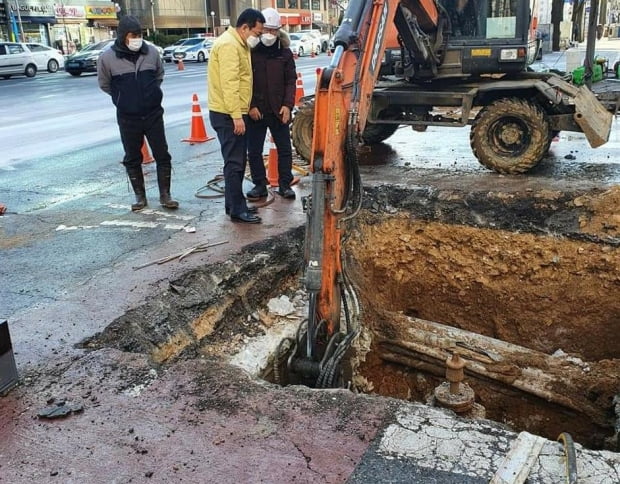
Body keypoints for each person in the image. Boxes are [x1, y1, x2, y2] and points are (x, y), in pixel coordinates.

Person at [97, 15, 178, 212]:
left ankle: (165, 195)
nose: (137, 39)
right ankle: (140, 197)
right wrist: (123, 99)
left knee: (162, 154)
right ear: (123, 36)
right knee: (132, 157)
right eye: (133, 35)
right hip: (128, 117)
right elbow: (105, 84)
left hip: (153, 114)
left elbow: (159, 75)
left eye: (139, 35)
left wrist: (151, 94)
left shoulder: (150, 52)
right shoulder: (107, 58)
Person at [208, 9, 265, 224]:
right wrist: (237, 116)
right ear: (244, 28)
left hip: (232, 112)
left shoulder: (239, 44)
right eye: (257, 33)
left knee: (237, 161)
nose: (258, 38)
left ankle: (233, 204)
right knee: (235, 163)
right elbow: (229, 85)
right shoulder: (230, 46)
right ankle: (238, 210)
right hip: (228, 114)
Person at [245, 8, 297, 201]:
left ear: (279, 30)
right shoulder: (251, 51)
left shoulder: (284, 53)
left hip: (278, 109)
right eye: (265, 29)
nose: (268, 34)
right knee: (254, 150)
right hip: (257, 110)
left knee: (284, 149)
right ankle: (259, 185)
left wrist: (288, 105)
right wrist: (250, 106)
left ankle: (285, 184)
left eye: (273, 30)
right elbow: (245, 80)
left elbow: (291, 81)